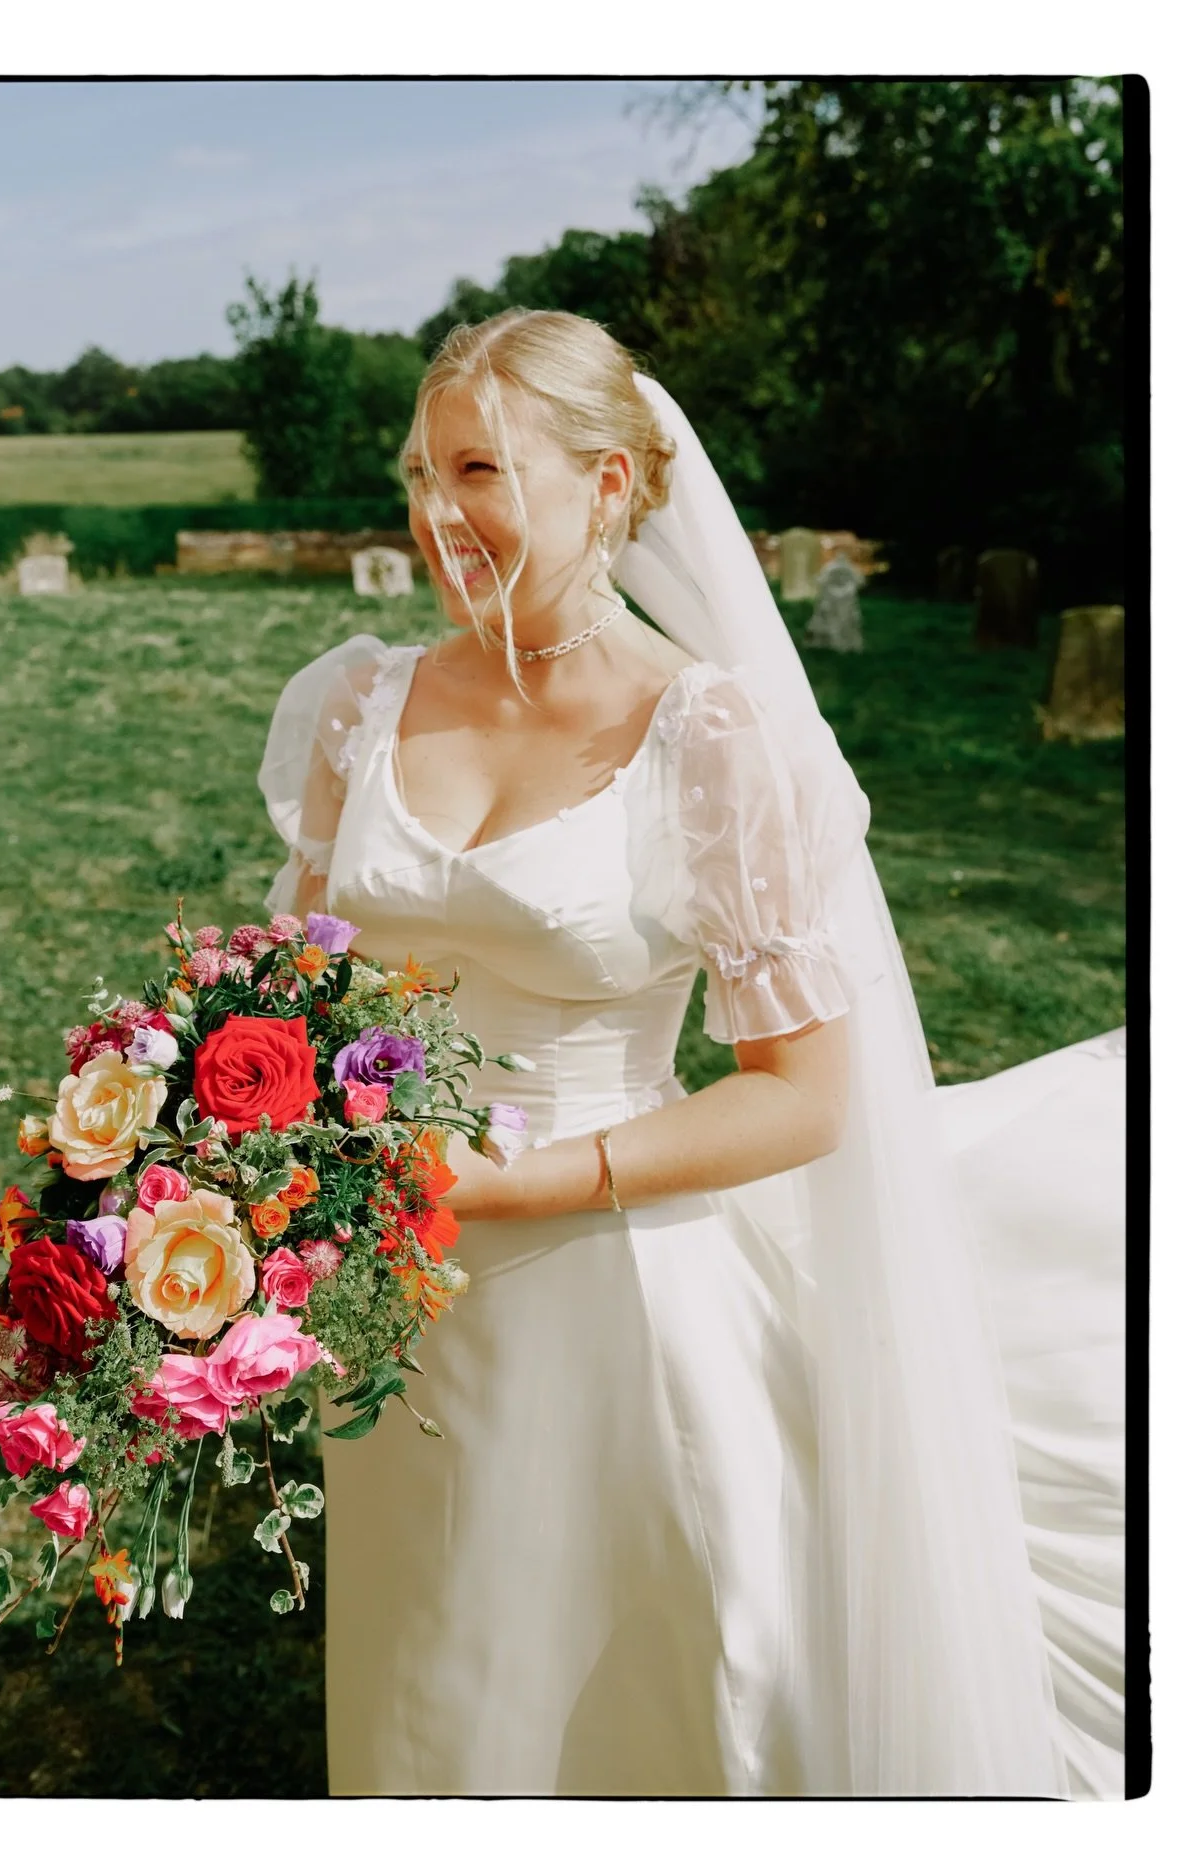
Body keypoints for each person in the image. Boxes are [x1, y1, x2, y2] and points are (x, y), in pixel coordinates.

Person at [257, 310, 1125, 1798]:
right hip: (390, 1284)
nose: (434, 511)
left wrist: (520, 1182)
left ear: (609, 487)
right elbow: (294, 980)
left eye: (480, 468)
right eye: (418, 468)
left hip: (614, 1287)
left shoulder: (703, 738)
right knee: (428, 1650)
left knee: (624, 1680)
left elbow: (803, 1098)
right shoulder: (362, 702)